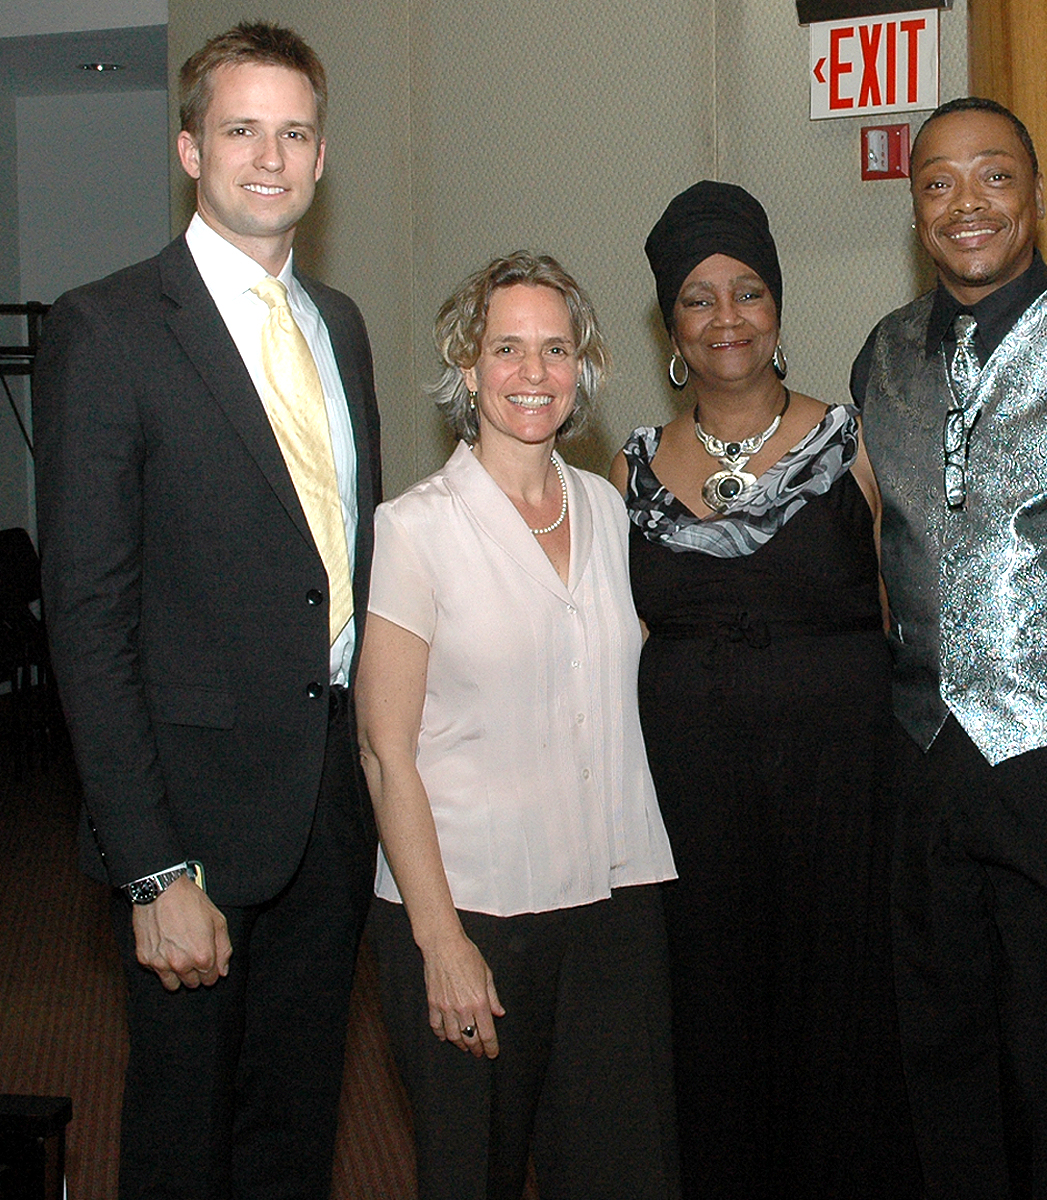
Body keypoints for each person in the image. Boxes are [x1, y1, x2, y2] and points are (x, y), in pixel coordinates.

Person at [32, 22, 381, 1200]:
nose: (269, 156)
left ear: (323, 156)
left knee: (299, 1121)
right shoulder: (109, 327)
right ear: (190, 148)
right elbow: (87, 616)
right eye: (241, 129)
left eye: (293, 132)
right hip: (191, 820)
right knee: (186, 1136)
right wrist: (151, 870)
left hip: (331, 805)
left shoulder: (341, 327)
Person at [851, 97, 1047, 1199]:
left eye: (993, 176)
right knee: (938, 1056)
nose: (967, 203)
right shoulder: (882, 354)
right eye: (938, 182)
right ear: (915, 209)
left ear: (1036, 195)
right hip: (923, 756)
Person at [612, 180, 919, 1199]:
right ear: (671, 324)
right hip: (690, 809)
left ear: (778, 307)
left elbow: (911, 615)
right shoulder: (630, 472)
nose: (727, 317)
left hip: (841, 802)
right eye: (699, 297)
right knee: (709, 1023)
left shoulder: (858, 443)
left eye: (747, 291)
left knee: (842, 1021)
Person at [358, 252, 679, 1200]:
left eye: (555, 349)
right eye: (507, 349)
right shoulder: (415, 530)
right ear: (467, 369)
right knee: (472, 1178)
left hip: (616, 900)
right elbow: (386, 753)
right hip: (473, 909)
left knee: (627, 1175)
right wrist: (439, 940)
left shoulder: (612, 510)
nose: (533, 373)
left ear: (582, 369)